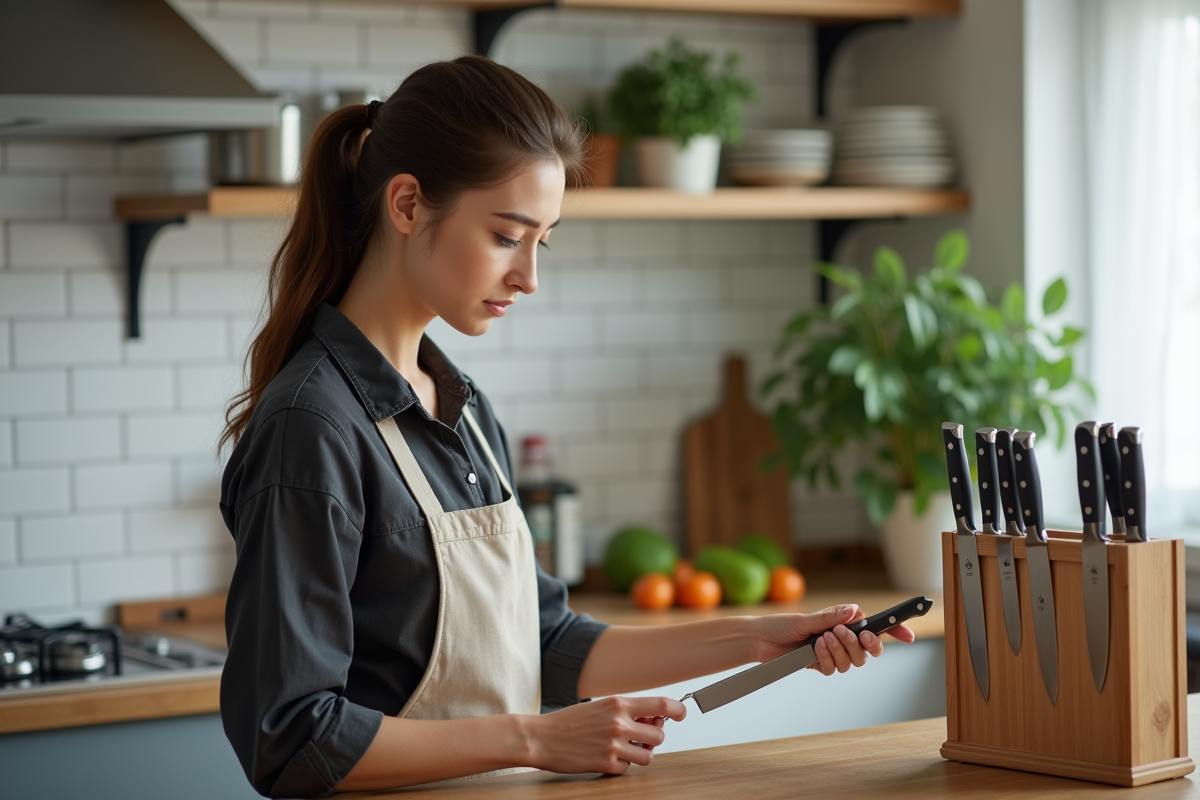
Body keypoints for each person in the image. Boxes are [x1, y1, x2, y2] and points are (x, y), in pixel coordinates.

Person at [217, 56, 916, 799]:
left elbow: (546, 641)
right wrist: (539, 739)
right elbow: (290, 738)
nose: (529, 277)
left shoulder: (462, 405)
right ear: (408, 204)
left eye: (540, 241)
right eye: (505, 235)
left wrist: (760, 637)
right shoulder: (313, 428)